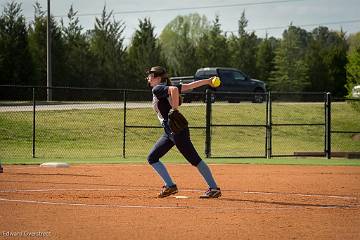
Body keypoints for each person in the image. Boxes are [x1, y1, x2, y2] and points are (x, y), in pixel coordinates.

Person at [146, 66, 221, 198]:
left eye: (151, 76)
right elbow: (190, 85)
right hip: (169, 132)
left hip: (177, 131)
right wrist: (207, 81)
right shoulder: (164, 87)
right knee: (152, 157)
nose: (148, 78)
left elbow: (174, 90)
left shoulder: (158, 88)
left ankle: (214, 188)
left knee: (194, 159)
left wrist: (174, 110)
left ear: (158, 78)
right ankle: (170, 186)